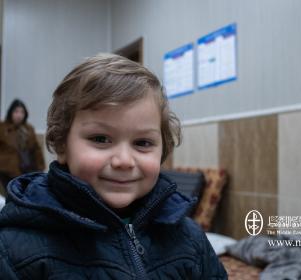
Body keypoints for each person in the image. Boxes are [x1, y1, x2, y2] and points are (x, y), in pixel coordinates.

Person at [0, 54, 227, 279]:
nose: (124, 161)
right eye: (100, 139)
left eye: (142, 143)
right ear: (61, 144)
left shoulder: (190, 238)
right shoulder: (13, 251)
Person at [0, 99, 45, 193]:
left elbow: (36, 149)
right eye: (16, 111)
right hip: (7, 171)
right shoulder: (3, 127)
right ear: (10, 112)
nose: (19, 115)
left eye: (22, 112)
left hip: (27, 169)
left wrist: (40, 168)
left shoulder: (29, 129)